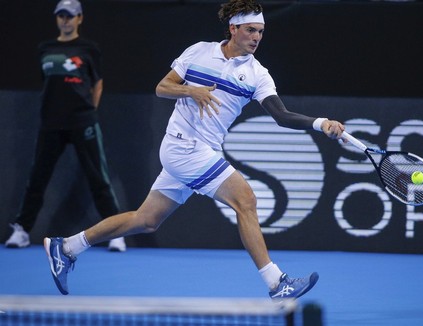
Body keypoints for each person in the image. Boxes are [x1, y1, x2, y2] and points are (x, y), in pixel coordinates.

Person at [43, 0, 345, 299]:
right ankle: (277, 284)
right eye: (251, 30)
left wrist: (321, 123)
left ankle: (67, 247)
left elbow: (282, 116)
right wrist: (191, 89)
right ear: (233, 28)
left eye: (261, 32)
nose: (256, 37)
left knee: (146, 220)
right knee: (246, 200)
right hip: (182, 146)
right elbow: (162, 87)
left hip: (201, 151)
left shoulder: (258, 74)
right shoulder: (199, 51)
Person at [6, 0, 126, 252]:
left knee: (98, 179)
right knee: (37, 178)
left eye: (70, 16)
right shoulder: (45, 48)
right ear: (57, 19)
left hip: (83, 121)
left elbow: (98, 84)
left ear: (79, 18)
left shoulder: (89, 49)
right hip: (51, 123)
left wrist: (88, 112)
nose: (65, 20)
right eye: (61, 16)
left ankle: (115, 232)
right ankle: (22, 230)